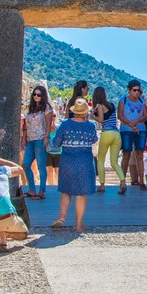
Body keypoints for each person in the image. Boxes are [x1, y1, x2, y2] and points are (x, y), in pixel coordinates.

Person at [51, 98, 99, 231]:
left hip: (67, 161)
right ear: (86, 112)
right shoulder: (91, 126)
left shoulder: (65, 124)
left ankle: (62, 217)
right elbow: (94, 139)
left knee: (66, 191)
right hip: (85, 162)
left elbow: (56, 142)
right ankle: (78, 225)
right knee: (81, 193)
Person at [21, 85, 54, 199]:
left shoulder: (47, 108)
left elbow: (49, 124)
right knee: (25, 164)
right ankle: (32, 189)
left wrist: (46, 138)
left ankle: (42, 190)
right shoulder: (31, 108)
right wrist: (24, 138)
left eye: (39, 94)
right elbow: (26, 125)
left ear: (43, 96)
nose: (36, 96)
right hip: (31, 140)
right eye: (34, 94)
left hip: (40, 139)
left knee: (41, 166)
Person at [117, 79, 147, 191]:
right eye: (134, 90)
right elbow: (120, 115)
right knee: (126, 154)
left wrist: (136, 123)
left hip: (140, 130)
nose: (137, 92)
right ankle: (122, 181)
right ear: (129, 90)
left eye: (138, 90)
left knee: (140, 154)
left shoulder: (141, 101)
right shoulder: (123, 100)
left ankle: (141, 181)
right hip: (126, 130)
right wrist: (131, 124)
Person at [91, 87, 123, 193]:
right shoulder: (112, 105)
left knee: (100, 161)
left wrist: (92, 116)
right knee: (114, 162)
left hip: (107, 133)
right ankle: (122, 181)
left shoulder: (100, 106)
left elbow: (101, 120)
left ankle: (102, 185)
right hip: (116, 135)